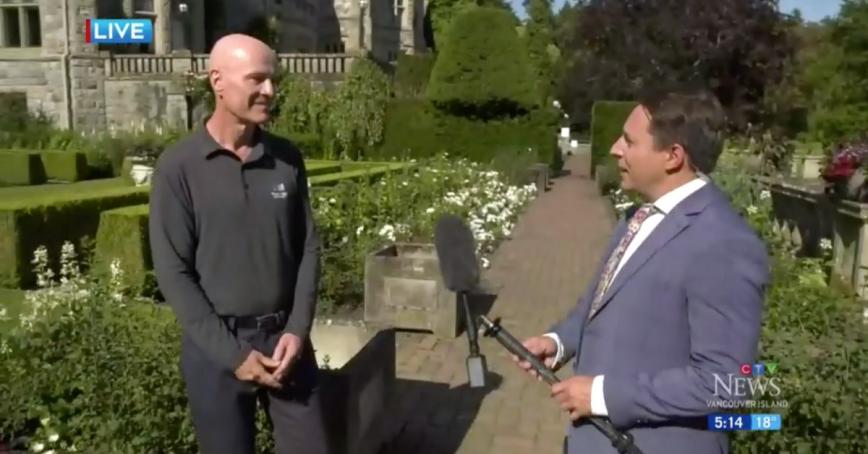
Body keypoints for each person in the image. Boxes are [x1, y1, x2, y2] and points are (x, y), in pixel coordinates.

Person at [513, 88, 770, 453]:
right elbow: (599, 303)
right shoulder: (636, 217)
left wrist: (602, 395)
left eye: (629, 141)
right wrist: (558, 342)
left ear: (673, 156)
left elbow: (727, 383)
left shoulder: (724, 243)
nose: (616, 148)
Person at [148, 34, 327, 454]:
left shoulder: (286, 158)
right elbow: (174, 273)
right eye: (257, 79)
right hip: (217, 353)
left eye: (273, 80)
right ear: (218, 81)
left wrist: (298, 330)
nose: (270, 91)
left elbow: (309, 248)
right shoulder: (179, 167)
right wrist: (233, 355)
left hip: (287, 345)